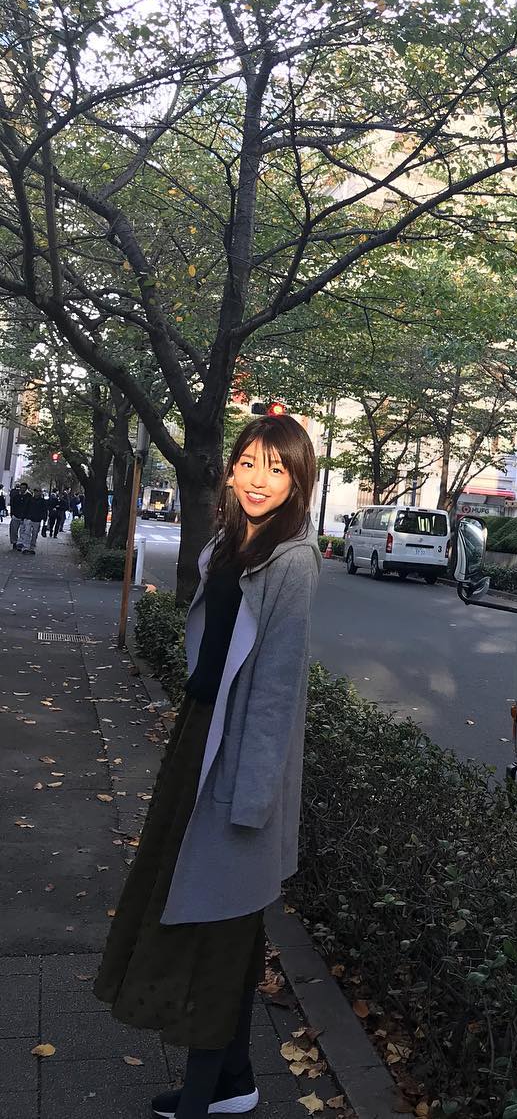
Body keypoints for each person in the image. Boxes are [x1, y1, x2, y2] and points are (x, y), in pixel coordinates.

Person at [93, 413, 320, 1119]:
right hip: (201, 736)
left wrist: (251, 800)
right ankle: (234, 1079)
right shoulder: (231, 542)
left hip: (239, 754)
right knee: (217, 916)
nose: (259, 480)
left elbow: (276, 690)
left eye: (277, 469)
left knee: (218, 925)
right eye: (249, 463)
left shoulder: (293, 562)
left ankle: (201, 1094)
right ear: (231, 468)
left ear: (299, 482)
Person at [18, 486, 47, 554]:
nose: (37, 493)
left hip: (37, 520)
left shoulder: (43, 501)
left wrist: (44, 519)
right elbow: (25, 508)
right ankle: (26, 547)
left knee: (35, 534)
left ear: (40, 493)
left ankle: (32, 547)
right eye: (36, 491)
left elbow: (44, 511)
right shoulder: (29, 499)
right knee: (27, 533)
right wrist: (23, 518)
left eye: (38, 491)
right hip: (29, 519)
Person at [8, 481, 27, 549]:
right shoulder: (15, 495)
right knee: (13, 530)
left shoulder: (29, 496)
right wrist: (12, 514)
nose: (22, 489)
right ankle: (14, 542)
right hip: (15, 515)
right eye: (21, 488)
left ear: (26, 488)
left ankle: (20, 544)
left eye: (24, 488)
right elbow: (12, 505)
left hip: (24, 517)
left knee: (23, 532)